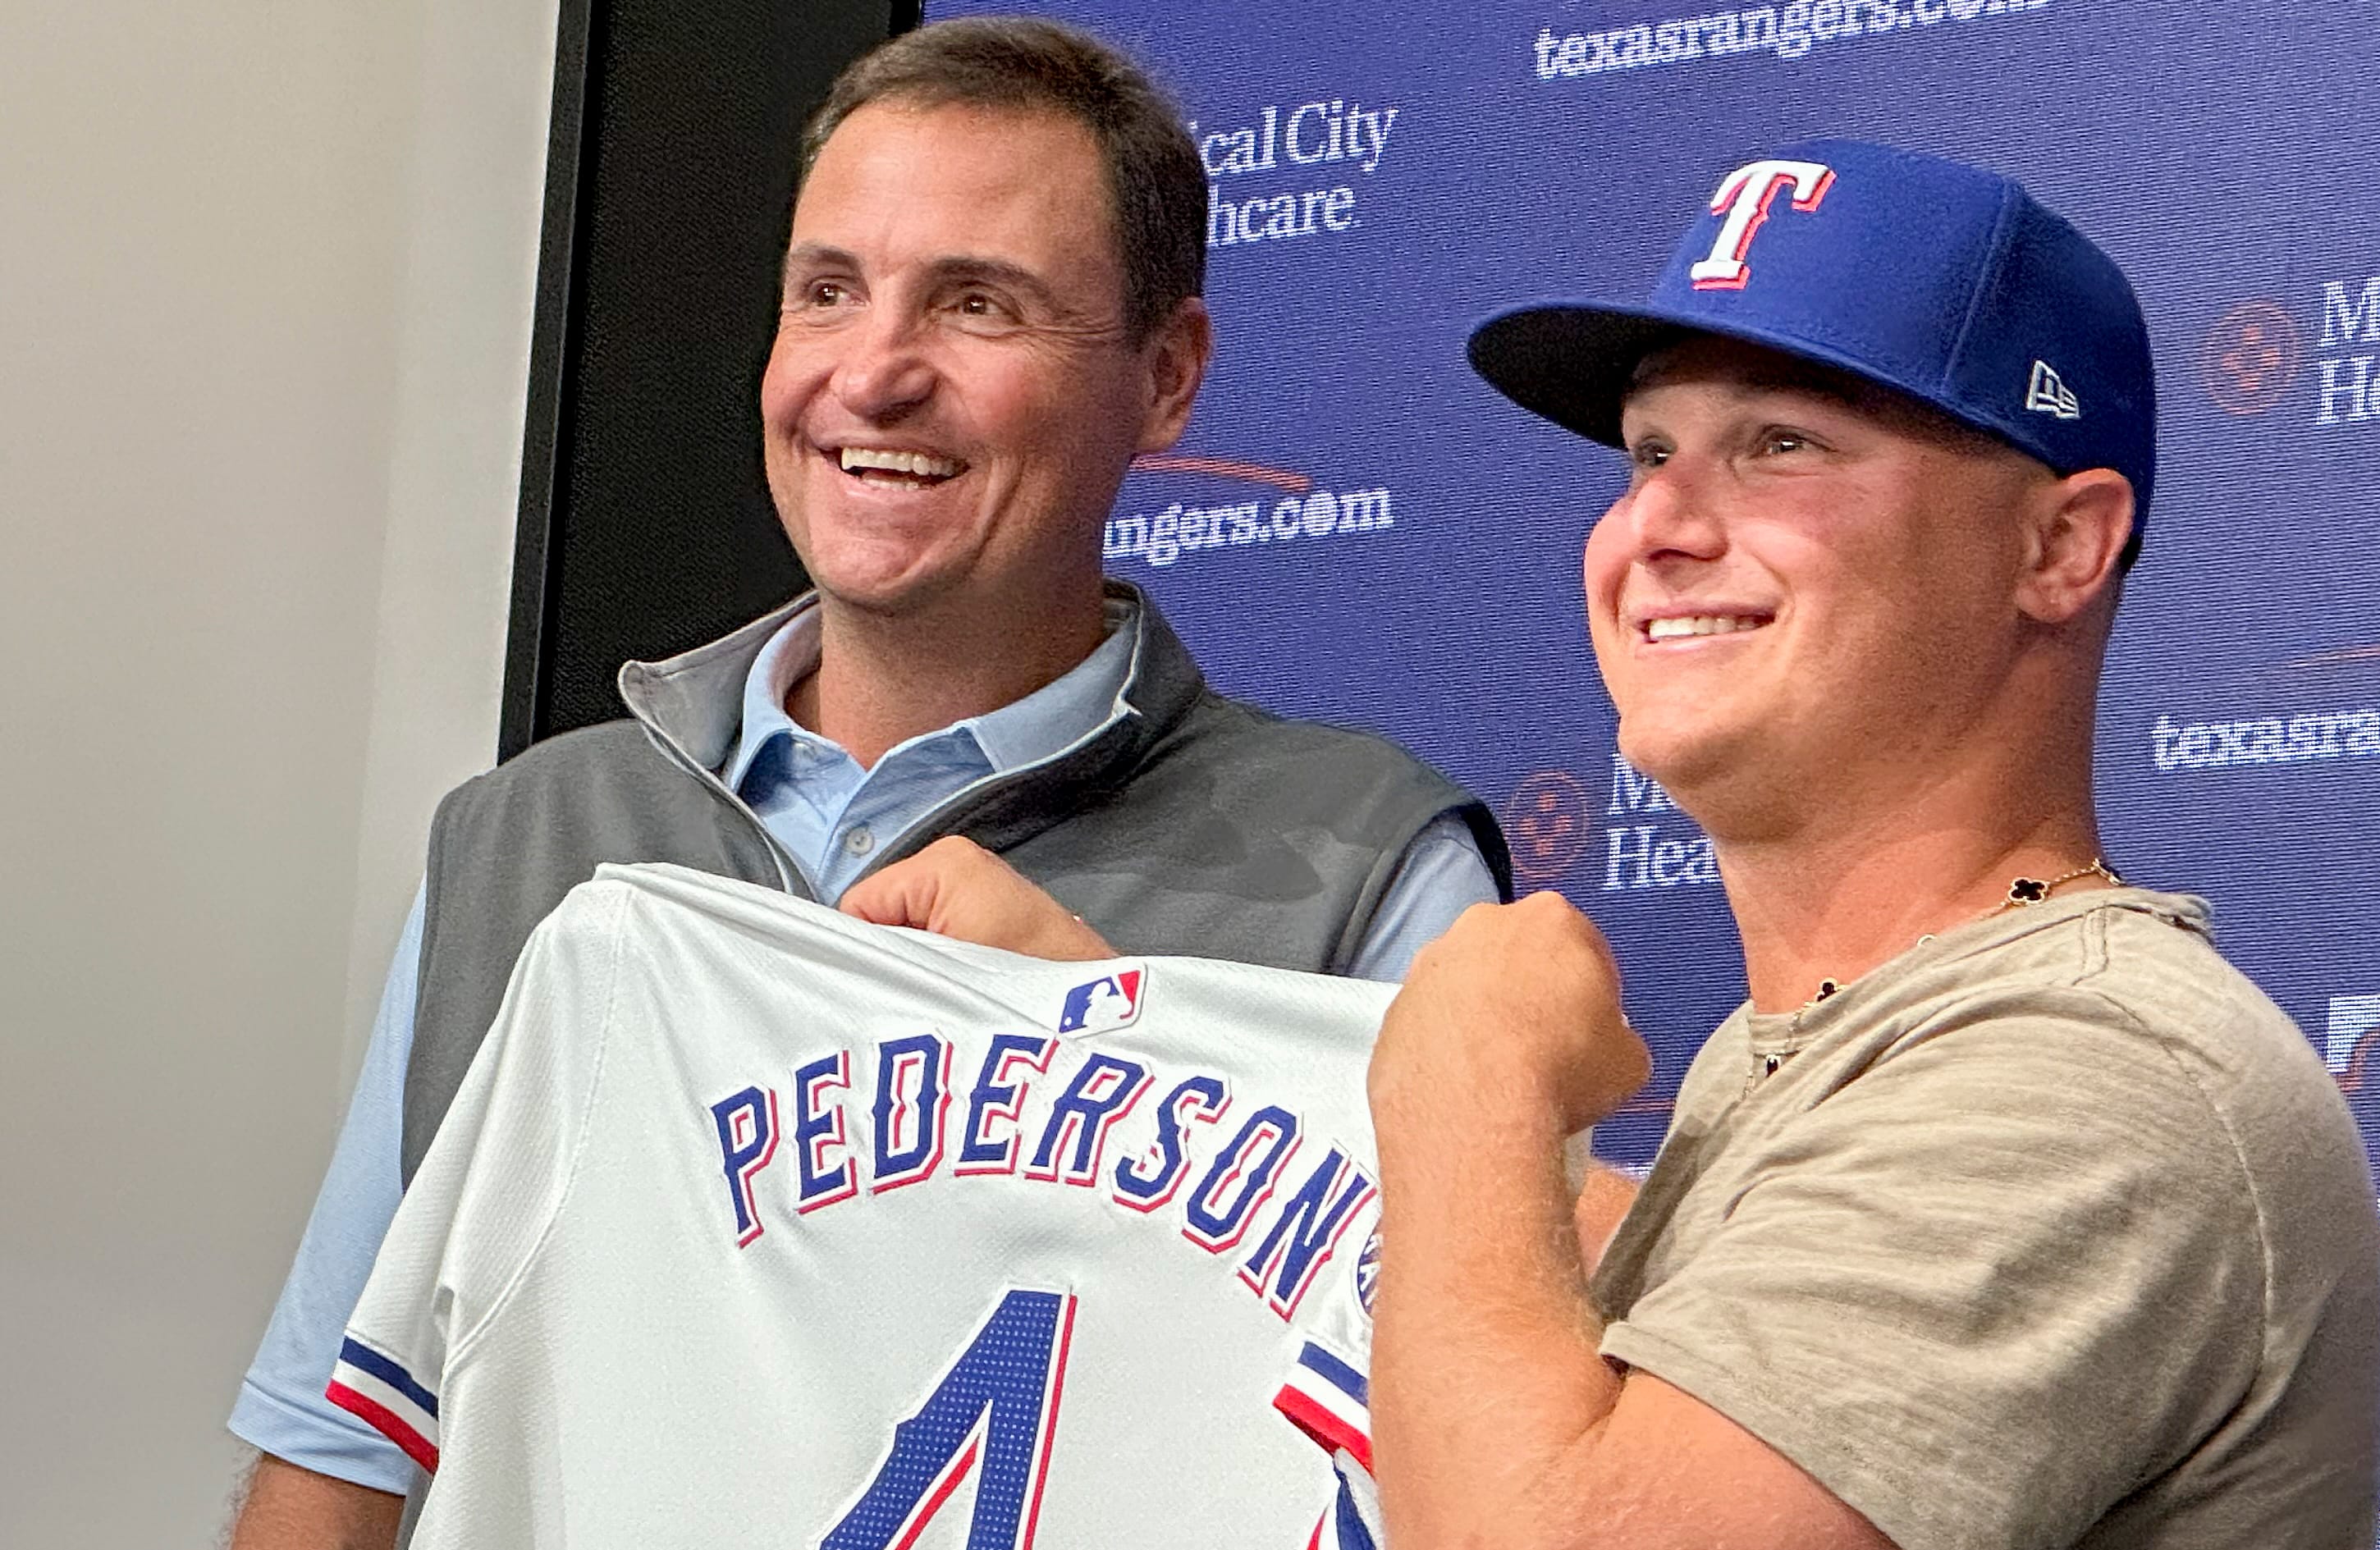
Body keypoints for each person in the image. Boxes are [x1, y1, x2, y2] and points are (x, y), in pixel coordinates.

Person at [223, 19, 1504, 1547]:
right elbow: (343, 1456)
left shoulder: (1367, 872)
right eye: (827, 291)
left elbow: (1464, 1474)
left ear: (1164, 379)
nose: (874, 375)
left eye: (976, 304)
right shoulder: (525, 840)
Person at [1359, 139, 2380, 1548]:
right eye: (1648, 452)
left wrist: (1468, 1084)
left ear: (2059, 547)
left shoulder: (2084, 1069)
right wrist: (1121, 1027)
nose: (1657, 524)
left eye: (1779, 443)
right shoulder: (1839, 1045)